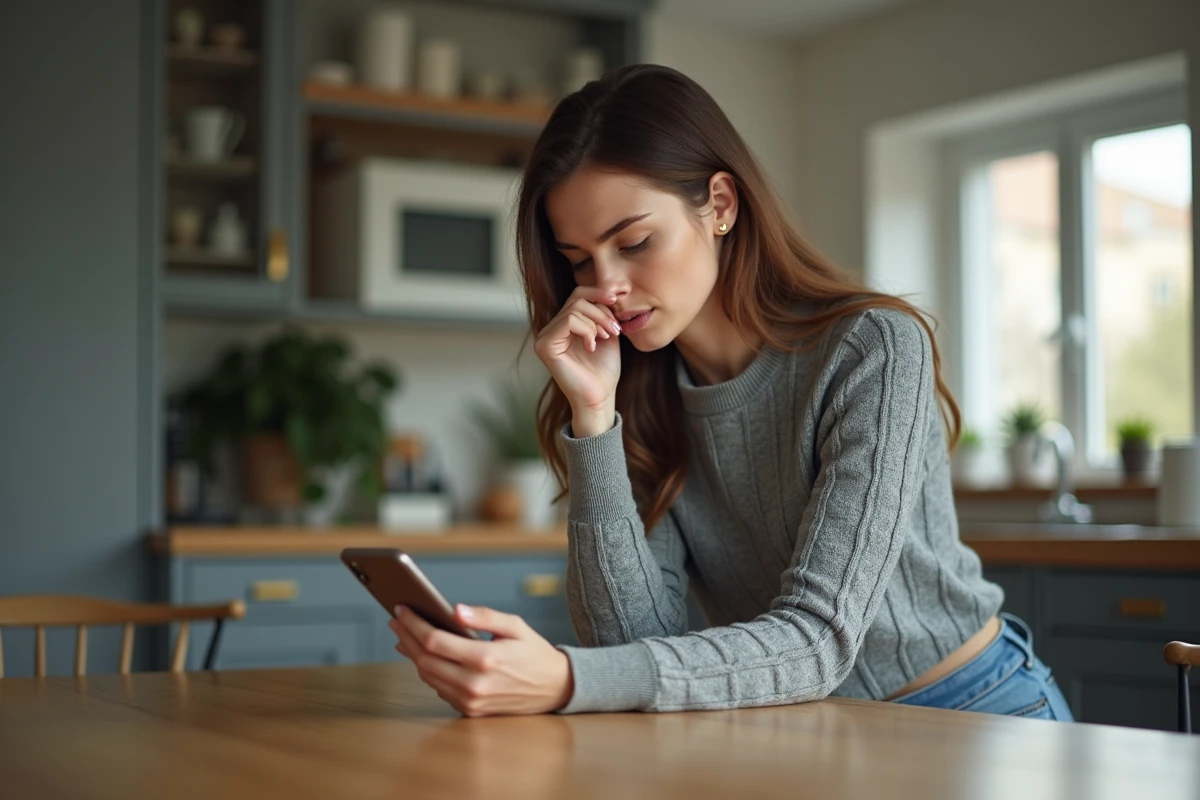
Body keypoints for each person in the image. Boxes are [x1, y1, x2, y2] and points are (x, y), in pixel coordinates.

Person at [389, 63, 1074, 722]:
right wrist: (595, 418)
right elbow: (628, 637)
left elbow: (818, 641)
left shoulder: (872, 347)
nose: (605, 286)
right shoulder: (638, 392)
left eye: (633, 242)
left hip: (975, 713)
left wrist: (568, 681)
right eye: (578, 262)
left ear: (719, 204)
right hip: (811, 733)